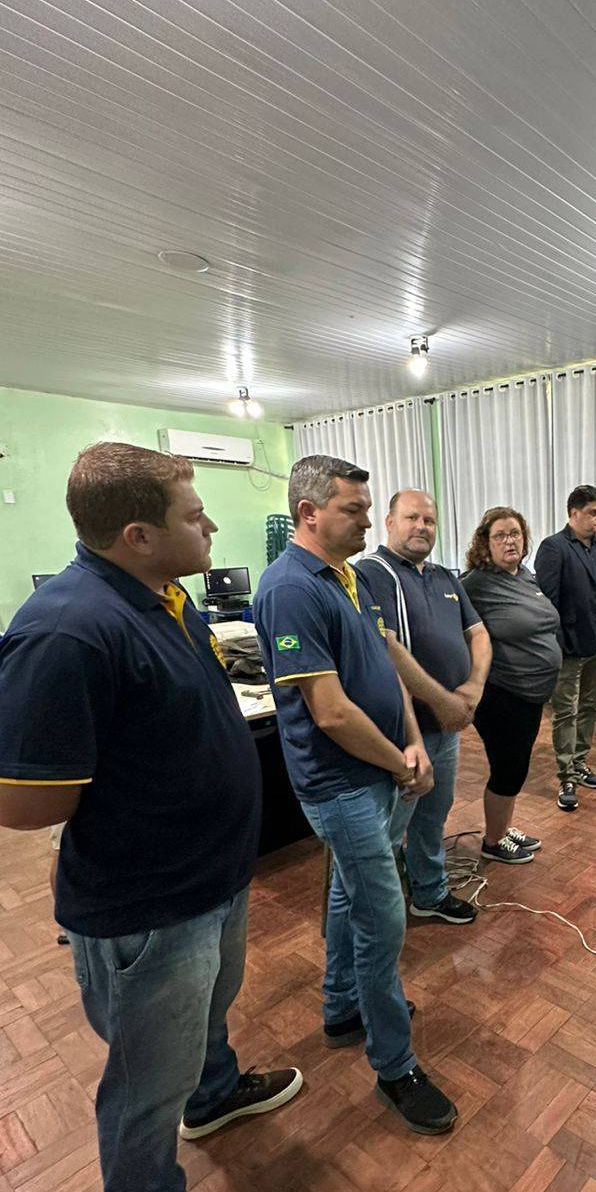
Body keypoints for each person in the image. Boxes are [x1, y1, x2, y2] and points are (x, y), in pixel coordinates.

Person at [0, 442, 301, 1192]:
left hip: (212, 875)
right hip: (146, 902)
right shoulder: (66, 629)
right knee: (141, 1082)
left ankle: (216, 1093)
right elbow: (15, 803)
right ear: (136, 533)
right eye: (193, 513)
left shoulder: (165, 596)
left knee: (210, 1015)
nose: (209, 524)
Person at [253, 455, 457, 1137]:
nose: (368, 518)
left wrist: (414, 740)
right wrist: (402, 764)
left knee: (348, 893)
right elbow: (331, 712)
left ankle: (343, 1005)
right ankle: (393, 1063)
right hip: (340, 784)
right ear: (309, 513)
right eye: (354, 508)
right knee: (383, 919)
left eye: (368, 508)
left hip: (380, 769)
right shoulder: (289, 588)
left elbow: (382, 666)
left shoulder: (345, 577)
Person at [359, 490, 491, 924]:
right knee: (393, 824)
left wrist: (472, 688)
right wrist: (445, 701)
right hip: (404, 727)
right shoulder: (371, 573)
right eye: (412, 518)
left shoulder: (443, 576)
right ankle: (383, 910)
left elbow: (478, 634)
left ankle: (428, 893)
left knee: (434, 815)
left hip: (447, 726)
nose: (422, 527)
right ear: (389, 522)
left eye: (429, 521)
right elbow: (387, 647)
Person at [460, 507, 563, 863]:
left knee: (515, 767)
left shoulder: (526, 577)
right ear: (485, 544)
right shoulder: (475, 583)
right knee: (508, 769)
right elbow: (459, 634)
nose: (510, 541)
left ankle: (503, 828)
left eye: (515, 534)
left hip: (531, 696)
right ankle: (492, 842)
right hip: (502, 694)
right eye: (501, 535)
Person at [534, 484, 596, 812]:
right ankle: (565, 773)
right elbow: (547, 603)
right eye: (593, 513)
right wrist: (555, 645)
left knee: (588, 706)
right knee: (566, 711)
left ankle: (580, 760)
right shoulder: (554, 547)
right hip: (569, 646)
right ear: (574, 513)